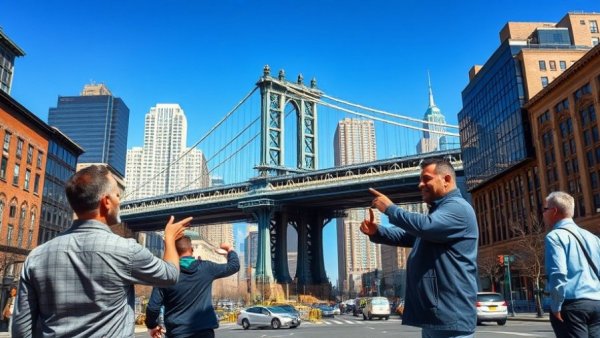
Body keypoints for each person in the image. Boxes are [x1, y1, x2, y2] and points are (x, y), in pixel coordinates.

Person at [12, 165, 193, 338]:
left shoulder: (36, 256)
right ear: (106, 202)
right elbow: (170, 275)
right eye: (117, 195)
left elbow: (21, 329)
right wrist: (169, 239)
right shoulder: (127, 250)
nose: (119, 201)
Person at [360, 158, 478, 338]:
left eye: (426, 179)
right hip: (436, 317)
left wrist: (390, 209)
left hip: (451, 316)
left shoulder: (458, 209)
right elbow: (409, 235)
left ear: (446, 180)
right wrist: (377, 232)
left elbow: (424, 226)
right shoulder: (439, 213)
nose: (420, 184)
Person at [145, 236, 240, 338]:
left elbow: (153, 308)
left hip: (177, 333)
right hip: (204, 333)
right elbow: (234, 266)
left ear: (174, 251)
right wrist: (230, 249)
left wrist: (152, 326)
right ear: (192, 250)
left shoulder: (165, 274)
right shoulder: (206, 268)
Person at [543, 191, 600, 338]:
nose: (543, 214)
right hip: (596, 303)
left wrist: (555, 305)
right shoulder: (593, 238)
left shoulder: (554, 237)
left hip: (572, 305)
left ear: (554, 211)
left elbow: (558, 273)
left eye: (545, 209)